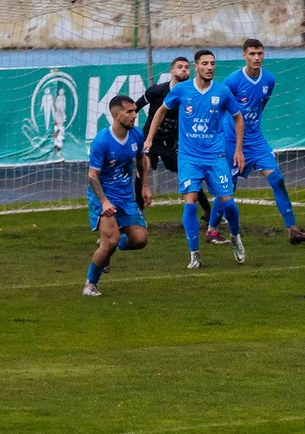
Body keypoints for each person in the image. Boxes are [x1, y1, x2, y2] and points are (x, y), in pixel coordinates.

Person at [145, 49, 246, 268]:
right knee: (190, 204)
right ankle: (195, 253)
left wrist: (238, 150)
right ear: (196, 66)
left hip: (216, 156)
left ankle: (236, 238)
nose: (210, 67)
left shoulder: (223, 92)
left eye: (212, 64)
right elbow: (160, 111)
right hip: (189, 157)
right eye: (205, 64)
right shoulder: (182, 90)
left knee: (228, 204)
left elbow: (238, 119)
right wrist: (150, 138)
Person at [208, 39, 305, 245]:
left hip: (256, 140)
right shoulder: (232, 81)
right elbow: (220, 107)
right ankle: (212, 230)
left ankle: (292, 230)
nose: (256, 57)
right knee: (227, 186)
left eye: (260, 53)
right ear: (244, 56)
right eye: (252, 54)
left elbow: (259, 106)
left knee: (277, 179)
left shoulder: (269, 79)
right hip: (231, 140)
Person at [83, 95, 151, 297]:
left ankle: (105, 247)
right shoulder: (102, 142)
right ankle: (90, 283)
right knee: (111, 240)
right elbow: (92, 176)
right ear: (115, 115)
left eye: (135, 111)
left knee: (140, 239)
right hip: (103, 196)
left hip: (126, 196)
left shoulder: (136, 135)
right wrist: (104, 202)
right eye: (129, 112)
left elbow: (141, 158)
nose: (134, 115)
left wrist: (145, 186)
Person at [135, 56, 212, 224]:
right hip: (151, 140)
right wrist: (134, 133)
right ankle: (138, 214)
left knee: (190, 175)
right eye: (179, 67)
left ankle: (208, 211)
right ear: (172, 71)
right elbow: (135, 107)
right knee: (142, 168)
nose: (184, 70)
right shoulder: (157, 91)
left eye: (186, 67)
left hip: (173, 144)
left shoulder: (192, 94)